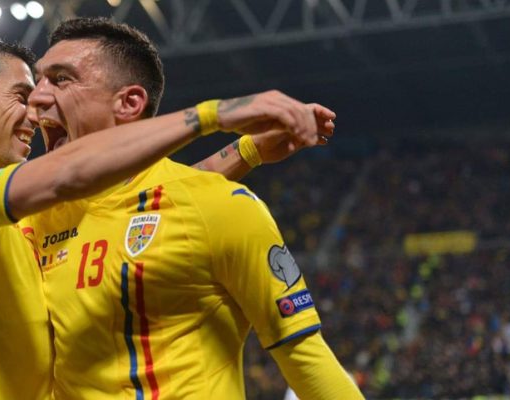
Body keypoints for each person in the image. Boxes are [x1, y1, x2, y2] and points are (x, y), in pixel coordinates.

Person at [21, 17, 363, 399]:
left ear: (129, 103)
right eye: (40, 80)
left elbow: (305, 358)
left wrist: (244, 149)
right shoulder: (26, 221)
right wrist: (244, 149)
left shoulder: (220, 207)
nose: (37, 97)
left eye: (61, 79)